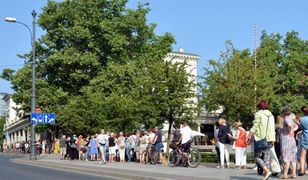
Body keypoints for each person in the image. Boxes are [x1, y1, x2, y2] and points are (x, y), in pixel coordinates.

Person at [250, 100, 276, 180]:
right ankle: (266, 176)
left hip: (261, 138)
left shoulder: (258, 114)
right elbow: (272, 127)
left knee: (256, 156)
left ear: (259, 106)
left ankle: (267, 171)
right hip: (270, 138)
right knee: (267, 158)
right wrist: (273, 139)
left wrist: (249, 134)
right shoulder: (271, 115)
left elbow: (255, 126)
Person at [279, 106, 298, 179]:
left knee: (286, 157)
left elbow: (289, 125)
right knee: (293, 157)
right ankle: (293, 174)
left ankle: (285, 174)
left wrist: (289, 131)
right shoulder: (292, 118)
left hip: (286, 139)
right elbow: (296, 126)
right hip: (292, 139)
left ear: (284, 112)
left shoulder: (286, 118)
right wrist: (292, 131)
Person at [299, 105, 308, 176]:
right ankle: (307, 170)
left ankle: (302, 171)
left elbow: (301, 128)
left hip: (305, 139)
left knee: (303, 156)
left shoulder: (301, 119)